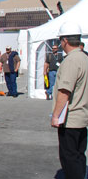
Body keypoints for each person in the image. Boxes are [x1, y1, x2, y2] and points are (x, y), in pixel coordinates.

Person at [51, 22, 88, 179]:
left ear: (64, 40)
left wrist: (55, 115)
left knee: (69, 158)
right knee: (79, 156)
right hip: (82, 116)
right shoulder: (84, 57)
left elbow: (65, 91)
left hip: (70, 118)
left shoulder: (71, 61)